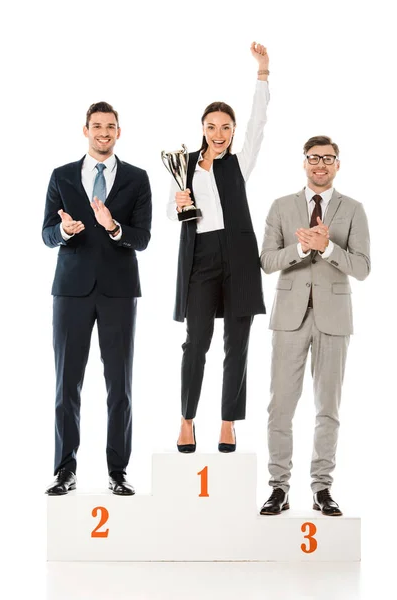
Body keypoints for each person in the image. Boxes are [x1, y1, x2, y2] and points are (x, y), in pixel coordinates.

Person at [43, 102, 152, 496]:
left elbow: (142, 238)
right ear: (85, 130)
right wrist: (66, 231)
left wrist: (114, 227)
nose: (103, 132)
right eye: (97, 126)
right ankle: (64, 470)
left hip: (119, 292)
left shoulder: (137, 179)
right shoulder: (62, 177)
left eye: (110, 127)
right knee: (65, 384)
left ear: (119, 132)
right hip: (70, 290)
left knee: (119, 386)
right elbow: (45, 233)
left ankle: (118, 471)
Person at [167, 42, 270, 453]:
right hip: (201, 259)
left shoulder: (239, 163)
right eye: (213, 126)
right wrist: (178, 206)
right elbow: (173, 214)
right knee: (197, 342)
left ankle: (228, 422)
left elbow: (260, 124)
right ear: (203, 128)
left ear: (232, 130)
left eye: (226, 127)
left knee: (238, 342)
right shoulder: (183, 164)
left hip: (240, 258)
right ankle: (187, 419)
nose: (220, 134)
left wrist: (262, 74)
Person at [259, 135, 370, 515]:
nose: (320, 164)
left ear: (338, 164)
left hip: (334, 319)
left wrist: (327, 249)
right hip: (289, 318)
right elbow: (267, 261)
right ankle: (279, 487)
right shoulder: (280, 206)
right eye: (313, 158)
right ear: (303, 162)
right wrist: (303, 249)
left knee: (328, 409)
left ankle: (323, 489)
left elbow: (363, 268)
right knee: (280, 409)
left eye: (328, 158)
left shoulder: (353, 209)